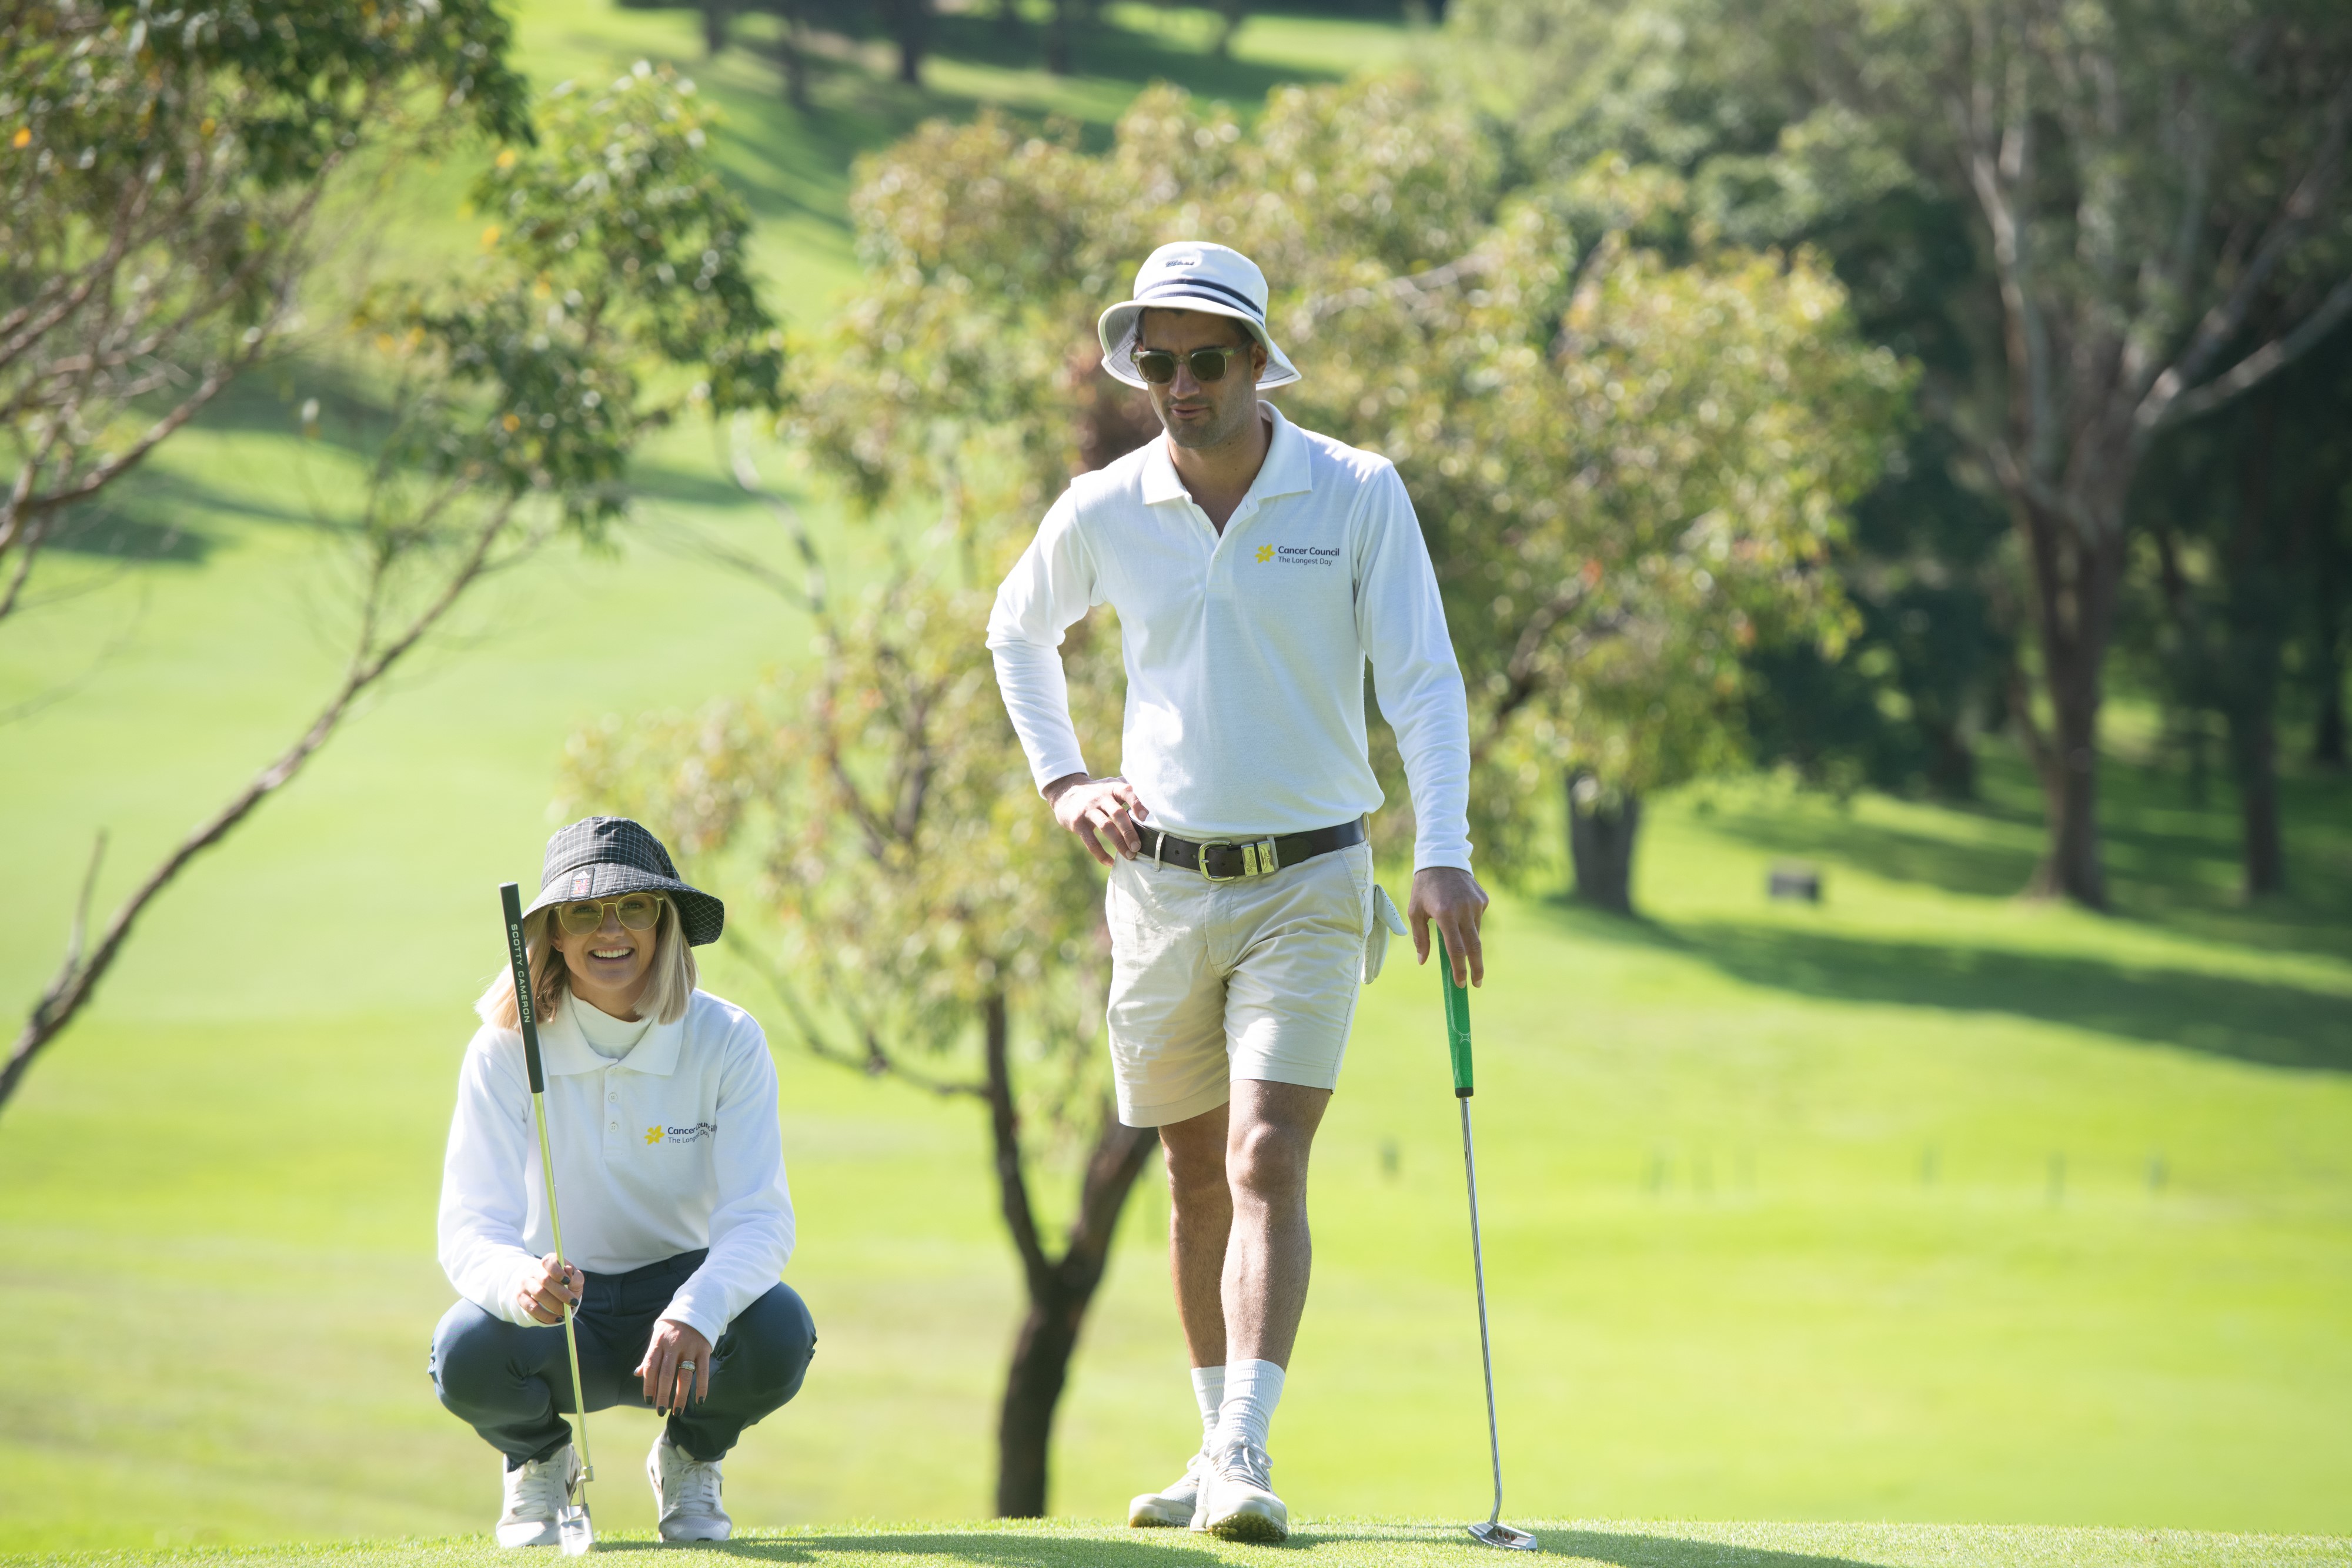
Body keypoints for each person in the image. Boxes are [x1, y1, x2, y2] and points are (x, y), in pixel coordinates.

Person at [986, 241, 1487, 1543]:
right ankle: (1213, 1444)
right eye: (1154, 362)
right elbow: (1014, 628)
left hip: (1312, 875)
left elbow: (1422, 680)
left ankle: (1244, 1445)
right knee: (1192, 1175)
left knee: (1268, 1153)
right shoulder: (1106, 504)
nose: (1178, 384)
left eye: (1205, 360)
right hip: (1157, 887)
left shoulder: (1353, 490)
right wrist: (1061, 780)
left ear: (1259, 362)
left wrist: (1443, 850)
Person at [430, 816, 813, 1547]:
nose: (612, 930)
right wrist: (521, 1285)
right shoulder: (506, 1049)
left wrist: (698, 1309)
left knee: (779, 1328)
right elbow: (469, 1226)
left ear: (664, 923)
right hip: (559, 1313)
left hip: (679, 1319)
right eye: (584, 912)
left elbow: (760, 1220)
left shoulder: (727, 1039)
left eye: (633, 906)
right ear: (554, 934)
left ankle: (691, 1457)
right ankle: (540, 1461)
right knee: (465, 1350)